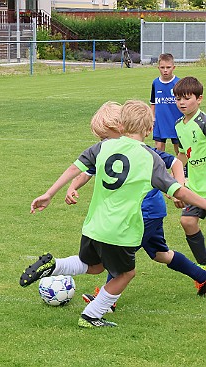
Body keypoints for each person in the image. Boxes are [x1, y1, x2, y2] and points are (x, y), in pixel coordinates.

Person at [19, 100, 206, 328]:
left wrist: (49, 194)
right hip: (121, 231)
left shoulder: (102, 148)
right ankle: (92, 315)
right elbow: (179, 191)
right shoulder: (149, 158)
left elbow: (75, 168)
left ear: (122, 125)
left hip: (94, 225)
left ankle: (54, 266)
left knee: (96, 266)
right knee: (126, 274)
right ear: (148, 130)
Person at [64, 102, 206, 309]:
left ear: (121, 128)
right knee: (160, 254)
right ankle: (202, 276)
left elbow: (175, 162)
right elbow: (88, 170)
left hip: (144, 213)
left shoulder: (144, 151)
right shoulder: (112, 151)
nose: (103, 142)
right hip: (151, 213)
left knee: (119, 251)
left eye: (106, 136)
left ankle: (105, 300)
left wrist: (177, 186)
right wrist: (72, 186)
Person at [173, 76, 206, 281]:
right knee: (187, 221)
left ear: (199, 99)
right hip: (195, 187)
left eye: (186, 98)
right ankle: (203, 268)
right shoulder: (179, 125)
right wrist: (176, 183)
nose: (182, 103)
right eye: (178, 99)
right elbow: (183, 154)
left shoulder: (203, 122)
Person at [150, 53, 183, 155]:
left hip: (177, 120)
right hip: (160, 121)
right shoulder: (155, 83)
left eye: (168, 67)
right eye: (162, 67)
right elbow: (153, 102)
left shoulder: (179, 83)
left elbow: (184, 102)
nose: (165, 70)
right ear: (158, 68)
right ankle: (161, 170)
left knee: (179, 149)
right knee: (159, 148)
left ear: (173, 67)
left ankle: (181, 170)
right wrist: (152, 118)